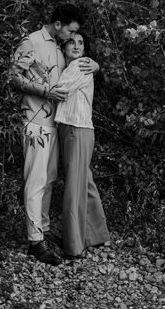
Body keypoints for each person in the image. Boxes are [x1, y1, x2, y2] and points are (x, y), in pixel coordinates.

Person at [9, 4, 98, 265]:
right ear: (57, 24)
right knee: (36, 181)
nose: (71, 37)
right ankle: (35, 243)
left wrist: (95, 64)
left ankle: (43, 232)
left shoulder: (60, 47)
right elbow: (13, 78)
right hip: (35, 121)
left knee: (48, 179)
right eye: (70, 30)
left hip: (55, 124)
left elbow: (78, 66)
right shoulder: (32, 42)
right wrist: (44, 92)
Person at [55, 31, 110, 258]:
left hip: (76, 129)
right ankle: (96, 236)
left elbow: (58, 89)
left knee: (74, 188)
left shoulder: (80, 65)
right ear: (64, 46)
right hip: (78, 129)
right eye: (72, 42)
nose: (77, 46)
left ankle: (74, 246)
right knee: (84, 183)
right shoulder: (75, 67)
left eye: (80, 43)